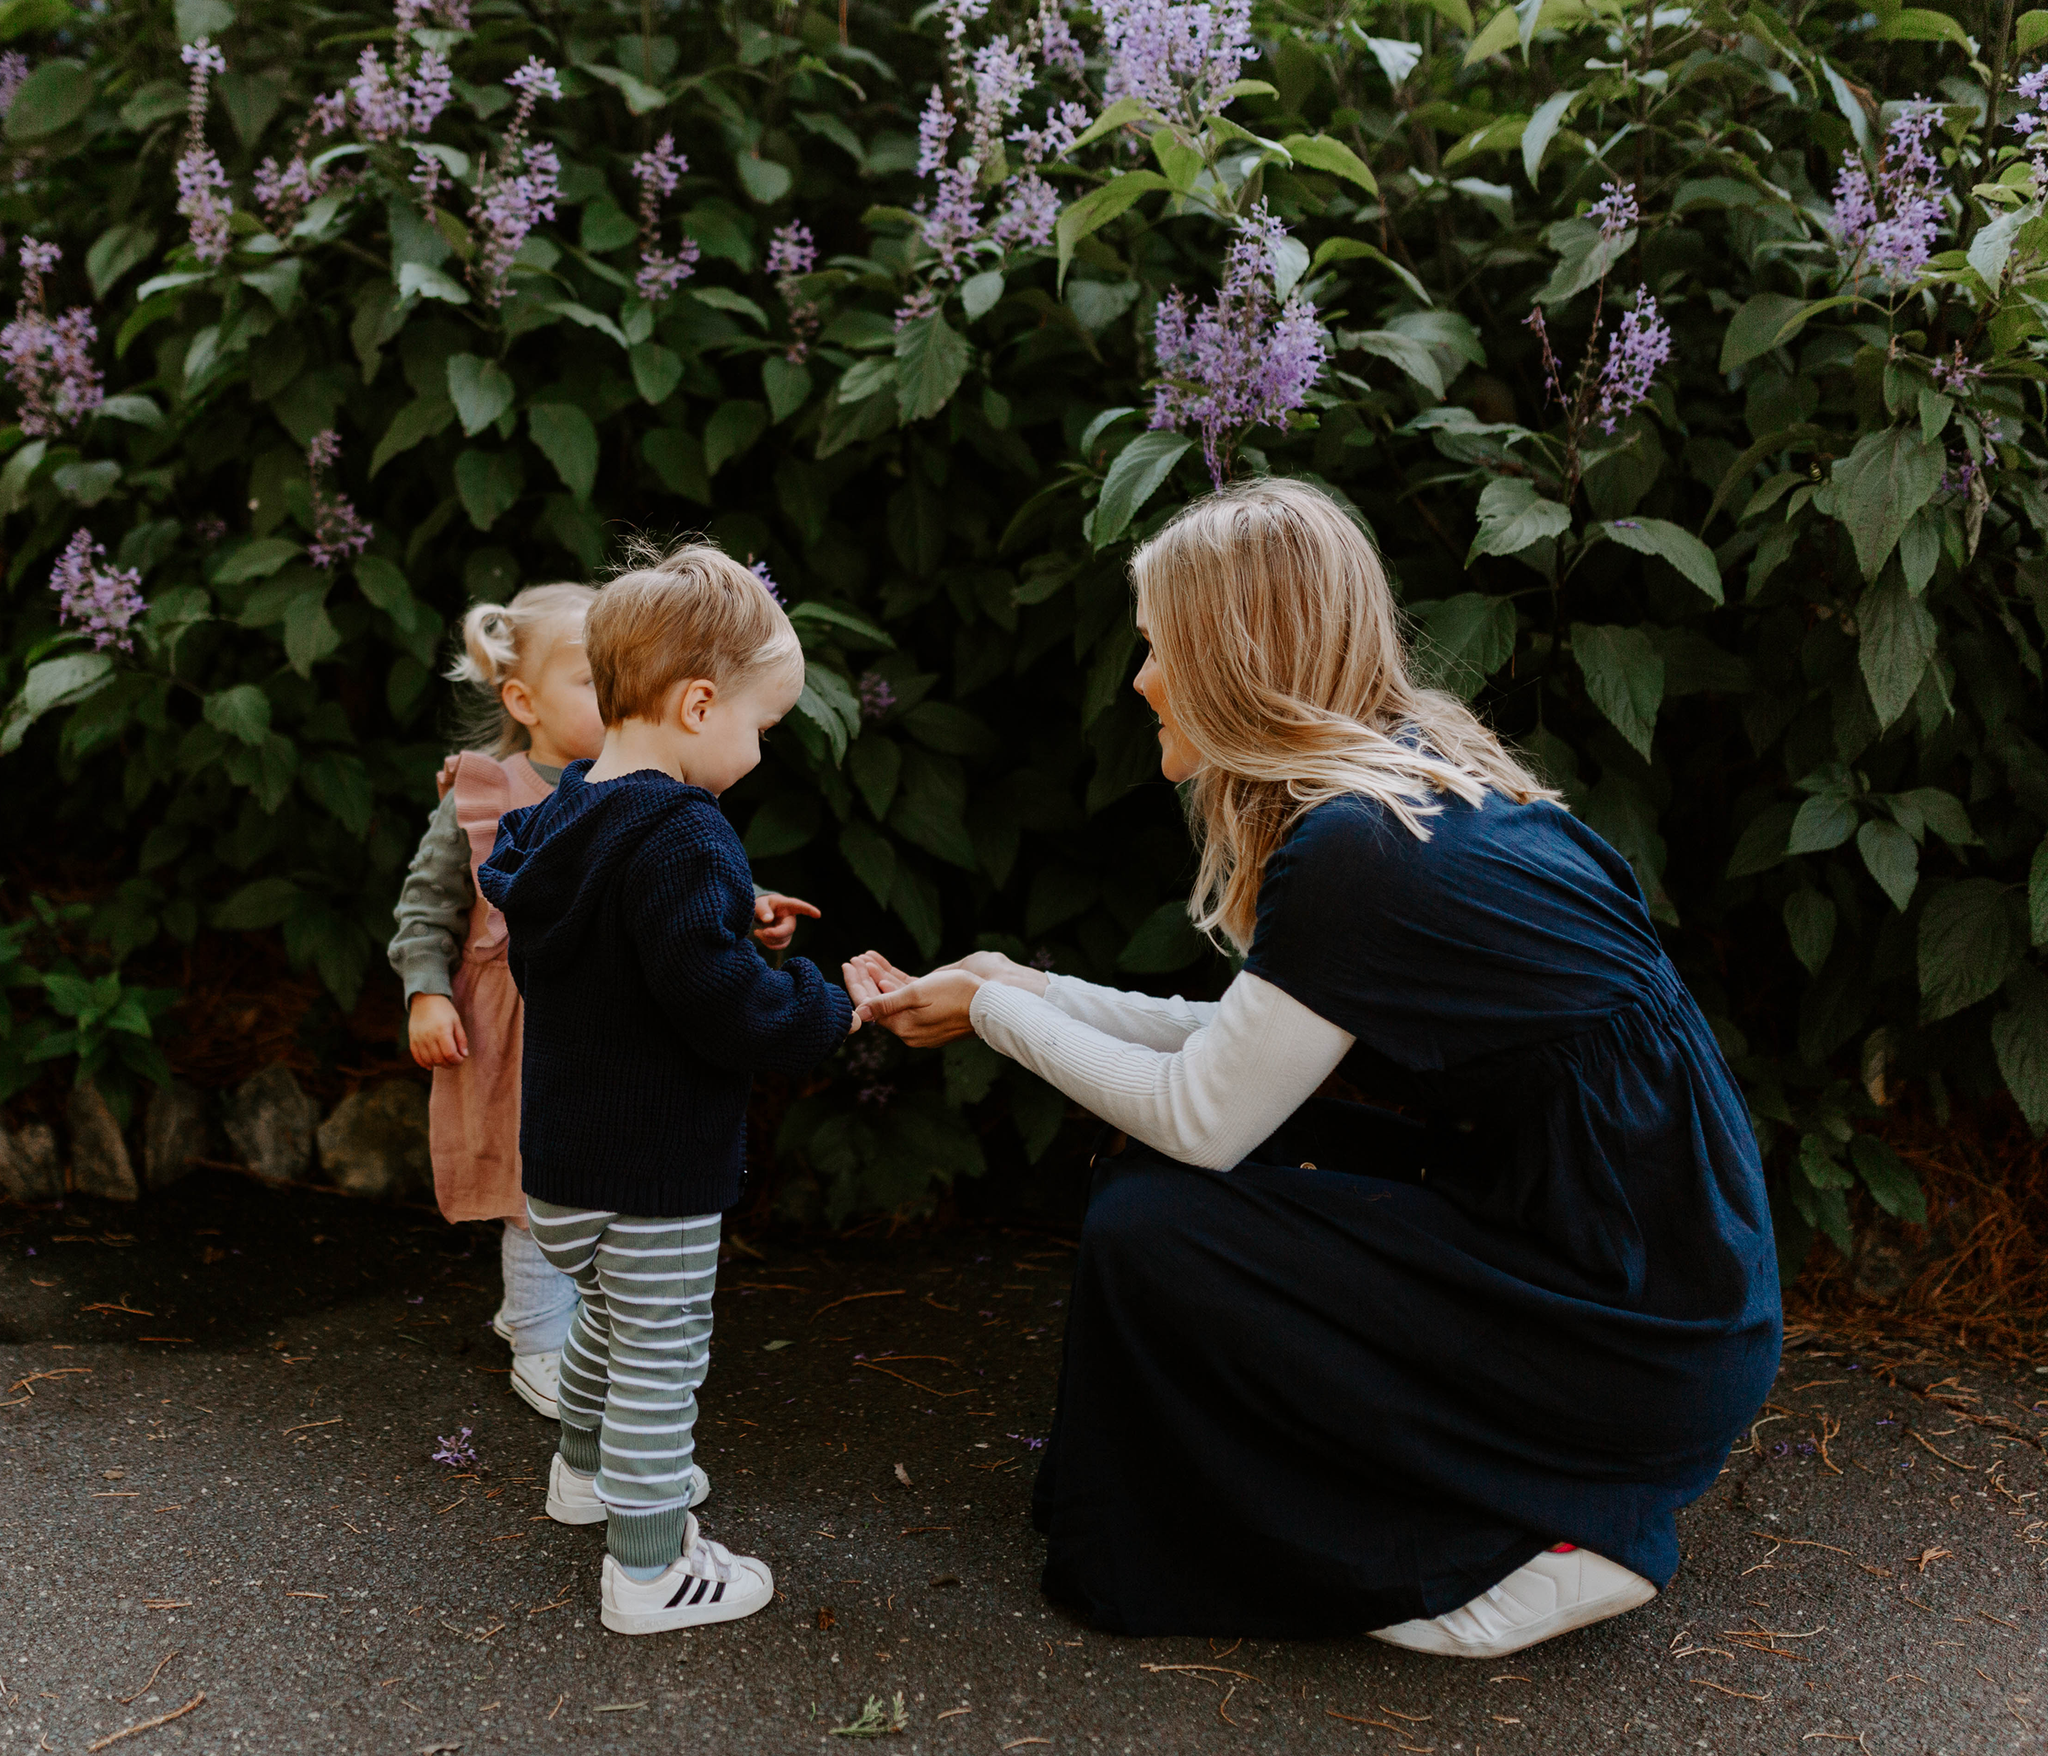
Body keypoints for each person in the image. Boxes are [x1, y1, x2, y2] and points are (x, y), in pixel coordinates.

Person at [845, 478, 1781, 1657]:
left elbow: (1202, 1116)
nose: (1138, 681)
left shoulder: (1358, 845)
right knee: (1156, 1198)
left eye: (1157, 648)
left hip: (1623, 1326)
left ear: (1235, 656)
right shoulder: (1412, 779)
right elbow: (1246, 1054)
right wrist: (1027, 991)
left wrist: (992, 1014)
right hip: (1627, 1272)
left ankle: (1551, 1527)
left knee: (1162, 1225)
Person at [478, 541, 854, 1637]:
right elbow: (727, 1008)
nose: (757, 748)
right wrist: (831, 1006)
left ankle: (583, 1473)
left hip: (564, 1164)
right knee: (660, 1354)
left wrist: (727, 909)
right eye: (759, 726)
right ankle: (645, 1570)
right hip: (652, 1168)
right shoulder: (685, 829)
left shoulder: (564, 815)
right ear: (698, 702)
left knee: (609, 1317)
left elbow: (631, 939)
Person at [389, 583, 818, 1426]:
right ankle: (539, 1341)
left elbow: (666, 895)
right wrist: (426, 993)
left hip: (597, 1025)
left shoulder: (632, 792)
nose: (616, 695)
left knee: (583, 1189)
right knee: (528, 1185)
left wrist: (746, 904)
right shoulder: (486, 791)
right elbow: (426, 905)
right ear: (523, 702)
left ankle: (579, 1332)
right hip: (511, 1028)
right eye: (592, 681)